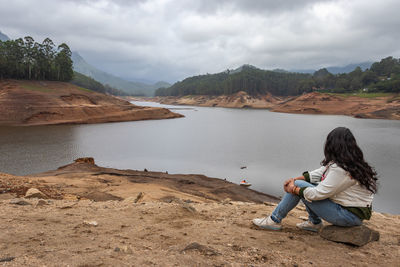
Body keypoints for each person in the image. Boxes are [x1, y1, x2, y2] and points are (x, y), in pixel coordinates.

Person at [253, 127, 378, 231]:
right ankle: (314, 223)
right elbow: (319, 173)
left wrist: (294, 188)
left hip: (348, 216)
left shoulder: (341, 169)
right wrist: (293, 180)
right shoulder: (350, 163)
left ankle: (274, 220)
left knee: (302, 187)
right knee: (303, 183)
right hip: (352, 214)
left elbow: (318, 194)